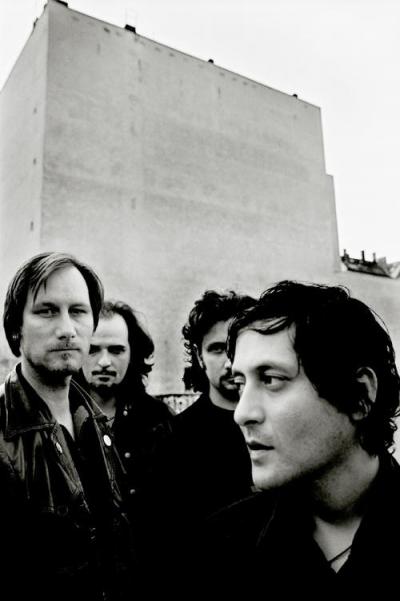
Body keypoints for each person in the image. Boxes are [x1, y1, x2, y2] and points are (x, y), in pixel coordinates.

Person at [196, 280, 400, 596]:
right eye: (240, 385)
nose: (242, 413)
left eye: (271, 380)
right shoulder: (220, 547)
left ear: (360, 394)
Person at [0, 252, 134, 601]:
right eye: (46, 311)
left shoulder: (96, 423)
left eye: (78, 311)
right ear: (15, 328)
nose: (67, 329)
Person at [171, 289, 255, 527]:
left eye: (238, 347)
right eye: (217, 349)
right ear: (199, 356)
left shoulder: (281, 426)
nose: (230, 362)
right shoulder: (175, 437)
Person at [81, 300, 174, 497]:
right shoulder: (57, 417)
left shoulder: (159, 420)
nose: (104, 362)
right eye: (93, 349)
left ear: (133, 354)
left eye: (116, 350)